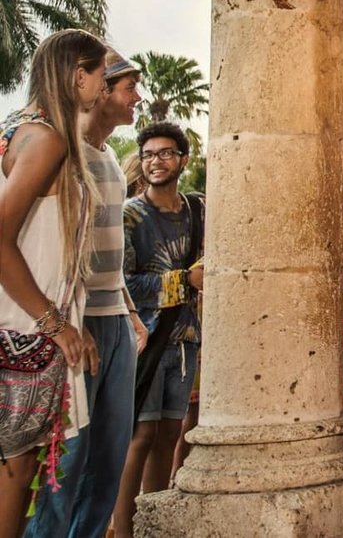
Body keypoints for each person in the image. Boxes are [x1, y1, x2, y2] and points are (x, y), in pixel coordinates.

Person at [27, 50, 149, 538]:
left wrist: (131, 313)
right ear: (101, 90)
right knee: (67, 459)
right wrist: (61, 325)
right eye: (126, 87)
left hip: (115, 321)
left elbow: (108, 253)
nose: (135, 97)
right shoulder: (62, 152)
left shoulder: (112, 164)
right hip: (80, 323)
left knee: (110, 456)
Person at [0, 29, 107, 538]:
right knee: (14, 469)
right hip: (20, 327)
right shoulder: (45, 139)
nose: (103, 86)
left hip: (25, 321)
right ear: (77, 75)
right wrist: (54, 323)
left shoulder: (20, 128)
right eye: (100, 74)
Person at [115, 122, 204, 538]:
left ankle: (154, 522)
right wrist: (184, 281)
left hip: (185, 338)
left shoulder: (197, 209)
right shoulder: (130, 215)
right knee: (140, 434)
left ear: (182, 160)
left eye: (165, 153)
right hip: (144, 337)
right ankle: (124, 528)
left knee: (172, 431)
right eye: (148, 154)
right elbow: (123, 281)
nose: (156, 161)